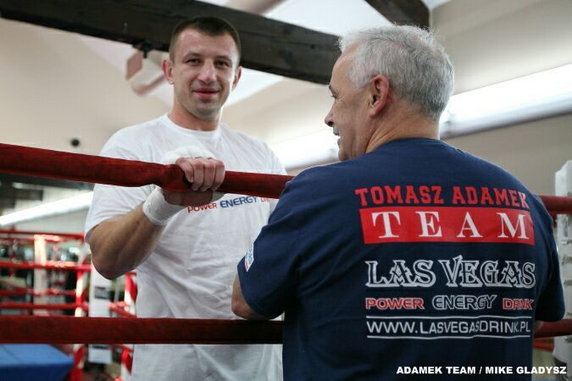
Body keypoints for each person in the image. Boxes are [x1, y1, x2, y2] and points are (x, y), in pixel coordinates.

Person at [232, 25, 564, 380]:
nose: (329, 116)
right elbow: (534, 317)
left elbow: (248, 302)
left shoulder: (319, 192)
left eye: (336, 97)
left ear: (377, 94)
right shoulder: (523, 201)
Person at [85, 16, 284, 381]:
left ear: (237, 76)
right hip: (174, 368)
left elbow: (285, 254)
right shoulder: (131, 145)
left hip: (260, 367)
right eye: (194, 61)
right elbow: (107, 259)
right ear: (169, 69)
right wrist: (164, 203)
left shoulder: (262, 155)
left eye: (222, 63)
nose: (208, 75)